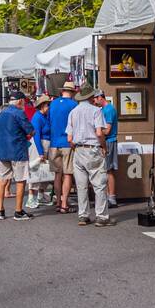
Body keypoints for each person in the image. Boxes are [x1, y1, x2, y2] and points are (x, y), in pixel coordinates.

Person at [67, 85, 113, 227]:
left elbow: (69, 138)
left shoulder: (73, 112)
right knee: (99, 184)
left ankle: (83, 215)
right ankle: (101, 217)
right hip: (93, 149)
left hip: (78, 150)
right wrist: (104, 147)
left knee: (81, 186)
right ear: (90, 97)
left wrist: (76, 146)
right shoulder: (96, 111)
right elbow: (100, 133)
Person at [0, 93, 35, 220]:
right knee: (21, 180)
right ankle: (18, 211)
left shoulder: (1, 113)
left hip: (3, 150)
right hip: (18, 150)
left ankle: (0, 210)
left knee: (2, 180)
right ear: (20, 101)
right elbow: (30, 130)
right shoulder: (19, 113)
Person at [48, 81, 79, 214]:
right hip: (67, 142)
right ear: (72, 93)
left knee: (57, 174)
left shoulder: (53, 103)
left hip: (54, 143)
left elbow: (49, 121)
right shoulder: (74, 105)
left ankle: (58, 202)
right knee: (67, 174)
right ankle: (65, 204)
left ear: (62, 91)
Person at [28, 94, 53, 210]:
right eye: (48, 105)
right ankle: (31, 198)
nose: (49, 107)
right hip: (39, 146)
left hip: (46, 145)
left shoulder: (45, 116)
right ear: (42, 106)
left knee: (45, 173)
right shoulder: (37, 117)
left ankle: (40, 196)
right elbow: (36, 135)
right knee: (35, 173)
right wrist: (41, 152)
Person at [99, 89, 119, 208]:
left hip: (109, 141)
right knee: (105, 170)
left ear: (101, 97)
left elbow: (107, 130)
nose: (95, 101)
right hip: (106, 141)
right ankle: (108, 196)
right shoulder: (104, 110)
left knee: (108, 170)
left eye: (96, 99)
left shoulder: (109, 109)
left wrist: (96, 131)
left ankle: (112, 198)